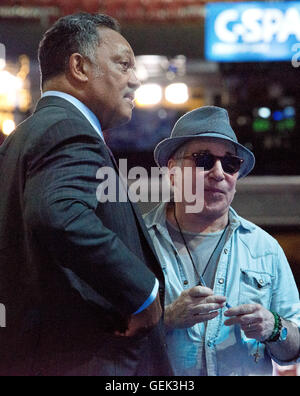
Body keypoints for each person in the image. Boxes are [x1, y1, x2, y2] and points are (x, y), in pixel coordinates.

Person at [0, 13, 172, 376]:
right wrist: (143, 293)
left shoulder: (22, 137)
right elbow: (57, 214)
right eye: (123, 64)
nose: (136, 80)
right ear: (79, 66)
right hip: (86, 359)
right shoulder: (67, 130)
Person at [144, 106, 300, 376]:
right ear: (172, 170)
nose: (219, 173)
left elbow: (293, 350)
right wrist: (166, 320)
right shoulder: (138, 241)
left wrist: (274, 327)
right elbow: (105, 338)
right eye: (203, 159)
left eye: (230, 164)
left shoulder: (264, 249)